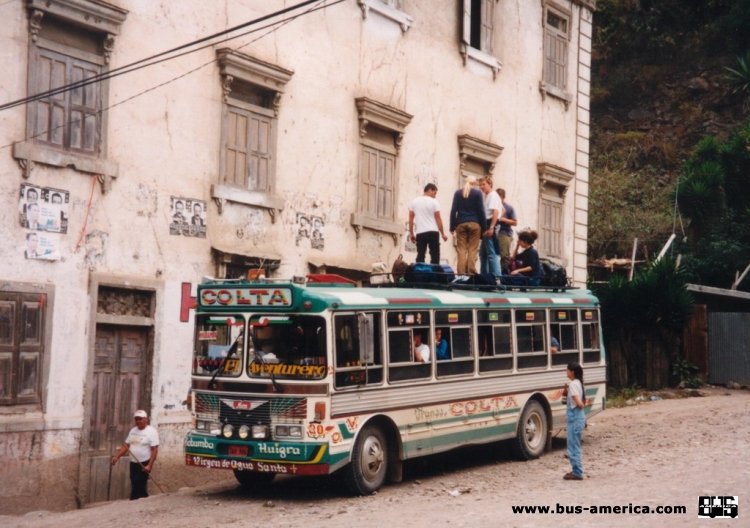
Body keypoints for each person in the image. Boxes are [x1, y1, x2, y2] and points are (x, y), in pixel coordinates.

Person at [111, 409, 160, 500]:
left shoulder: (151, 432)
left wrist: (149, 465)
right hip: (133, 462)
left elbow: (154, 450)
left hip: (144, 462)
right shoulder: (133, 431)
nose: (138, 421)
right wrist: (117, 456)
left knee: (140, 483)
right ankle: (140, 501)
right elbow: (126, 446)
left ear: (146, 419)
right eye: (136, 419)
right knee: (134, 481)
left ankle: (135, 501)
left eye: (140, 419)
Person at [449, 175, 487, 275]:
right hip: (475, 224)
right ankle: (471, 272)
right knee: (472, 249)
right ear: (474, 183)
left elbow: (453, 211)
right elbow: (481, 211)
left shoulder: (457, 193)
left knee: (461, 249)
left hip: (461, 224)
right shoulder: (478, 193)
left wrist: (452, 226)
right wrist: (484, 228)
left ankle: (461, 273)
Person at [408, 183, 448, 264]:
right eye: (435, 193)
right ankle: (435, 274)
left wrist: (412, 233)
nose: (435, 195)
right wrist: (443, 234)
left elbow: (411, 219)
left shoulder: (414, 202)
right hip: (433, 232)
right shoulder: (434, 202)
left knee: (420, 255)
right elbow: (438, 219)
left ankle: (419, 273)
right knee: (435, 256)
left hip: (421, 232)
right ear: (430, 190)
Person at [563, 362, 586, 480]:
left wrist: (580, 404)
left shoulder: (572, 385)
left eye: (567, 370)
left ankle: (577, 472)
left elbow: (578, 402)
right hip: (579, 417)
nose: (566, 372)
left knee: (573, 446)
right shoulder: (579, 383)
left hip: (575, 417)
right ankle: (576, 470)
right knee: (575, 444)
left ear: (572, 372)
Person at [478, 177, 503, 280]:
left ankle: (497, 278)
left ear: (489, 184)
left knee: (492, 253)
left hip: (489, 224)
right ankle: (485, 277)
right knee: (483, 254)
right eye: (480, 185)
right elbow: (502, 210)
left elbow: (496, 212)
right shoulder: (488, 196)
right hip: (487, 224)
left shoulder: (492, 195)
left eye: (483, 184)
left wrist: (492, 227)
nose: (481, 187)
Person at [495, 188, 518, 274]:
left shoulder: (509, 208)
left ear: (503, 197)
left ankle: (504, 276)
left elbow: (515, 222)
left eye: (499, 198)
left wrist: (504, 219)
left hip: (505, 233)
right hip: (495, 233)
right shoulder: (494, 206)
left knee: (504, 256)